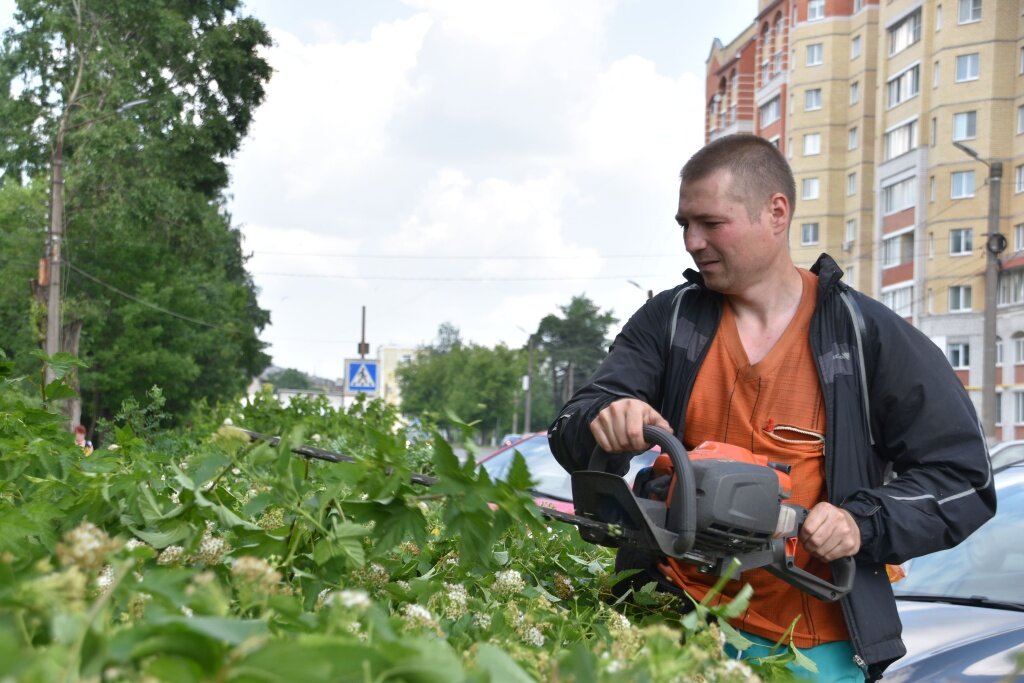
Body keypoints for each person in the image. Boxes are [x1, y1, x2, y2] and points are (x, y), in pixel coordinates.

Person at [548, 133, 996, 682]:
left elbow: (965, 481)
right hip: (673, 625)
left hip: (816, 649)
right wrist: (606, 418)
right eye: (684, 225)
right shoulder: (669, 322)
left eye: (711, 223)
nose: (692, 241)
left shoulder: (865, 338)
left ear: (776, 213)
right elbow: (573, 423)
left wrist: (862, 522)